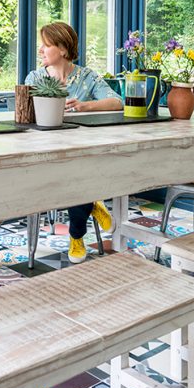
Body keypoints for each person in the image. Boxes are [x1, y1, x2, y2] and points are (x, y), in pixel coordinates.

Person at [25, 21, 123, 264]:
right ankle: (92, 203)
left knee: (78, 171)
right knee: (77, 177)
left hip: (83, 154)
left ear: (62, 49)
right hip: (45, 152)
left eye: (45, 46)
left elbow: (117, 102)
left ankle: (76, 236)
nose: (40, 50)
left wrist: (84, 105)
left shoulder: (86, 77)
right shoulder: (35, 77)